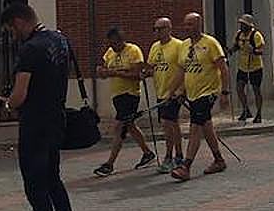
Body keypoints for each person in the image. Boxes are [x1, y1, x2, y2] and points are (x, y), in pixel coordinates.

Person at [0, 2, 77, 211]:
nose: (13, 35)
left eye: (11, 29)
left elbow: (20, 95)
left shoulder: (30, 49)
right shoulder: (60, 40)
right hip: (56, 120)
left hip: (35, 125)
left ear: (19, 22)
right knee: (53, 178)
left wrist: (7, 104)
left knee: (35, 185)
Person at [169, 12, 230, 182]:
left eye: (190, 24)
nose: (186, 28)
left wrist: (225, 93)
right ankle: (219, 159)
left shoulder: (210, 43)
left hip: (208, 92)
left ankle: (185, 166)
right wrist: (175, 91)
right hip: (192, 93)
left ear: (198, 25)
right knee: (206, 125)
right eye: (185, 24)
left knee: (195, 126)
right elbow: (182, 71)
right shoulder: (184, 46)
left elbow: (223, 69)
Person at [93, 27, 155, 177]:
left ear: (121, 40)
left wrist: (115, 73)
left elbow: (137, 75)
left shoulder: (133, 51)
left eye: (115, 44)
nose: (113, 47)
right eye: (110, 44)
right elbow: (103, 71)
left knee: (119, 127)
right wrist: (101, 72)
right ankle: (147, 152)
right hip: (117, 94)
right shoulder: (110, 53)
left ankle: (110, 164)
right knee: (130, 125)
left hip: (130, 94)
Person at [143, 17, 184, 173]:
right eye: (155, 29)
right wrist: (146, 73)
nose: (157, 32)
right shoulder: (155, 47)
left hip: (173, 93)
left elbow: (183, 69)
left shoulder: (178, 46)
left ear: (169, 28)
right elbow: (153, 67)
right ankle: (177, 155)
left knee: (169, 123)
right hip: (161, 92)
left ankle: (172, 156)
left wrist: (181, 91)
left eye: (160, 28)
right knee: (169, 125)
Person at [231, 14, 265, 123]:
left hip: (255, 67)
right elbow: (236, 46)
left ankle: (259, 113)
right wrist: (230, 51)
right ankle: (246, 110)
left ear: (248, 25)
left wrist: (253, 51)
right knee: (239, 88)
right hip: (243, 67)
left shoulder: (256, 35)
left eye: (243, 24)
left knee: (256, 90)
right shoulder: (239, 35)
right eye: (240, 24)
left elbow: (261, 51)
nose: (241, 26)